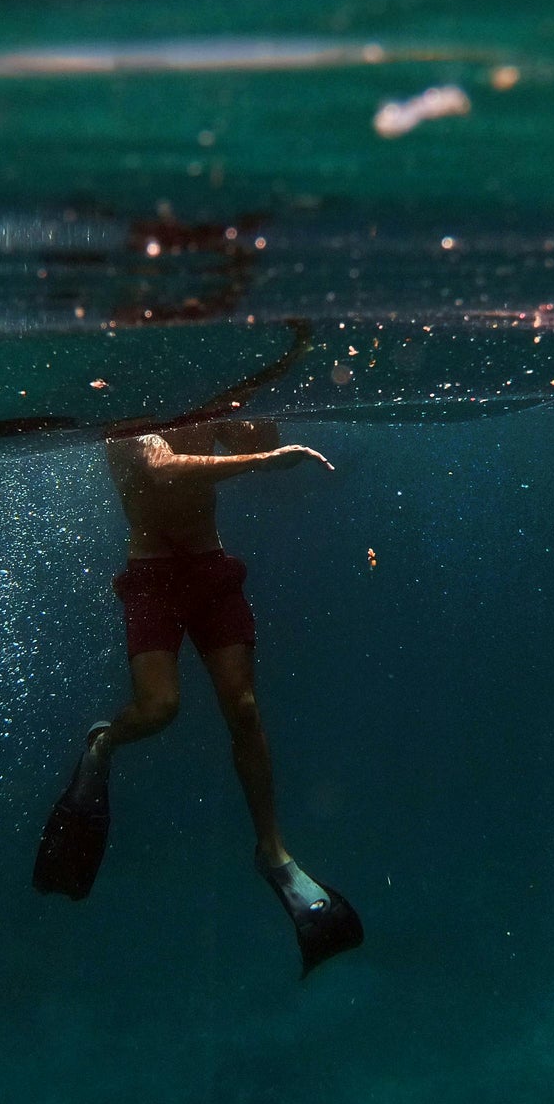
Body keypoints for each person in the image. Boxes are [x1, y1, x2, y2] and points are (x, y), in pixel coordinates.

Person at [32, 332, 363, 975]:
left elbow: (250, 390)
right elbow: (158, 465)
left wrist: (296, 346)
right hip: (153, 573)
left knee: (243, 706)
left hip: (209, 566)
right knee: (159, 710)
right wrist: (264, 460)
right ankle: (103, 741)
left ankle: (274, 852)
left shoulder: (196, 399)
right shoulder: (120, 409)